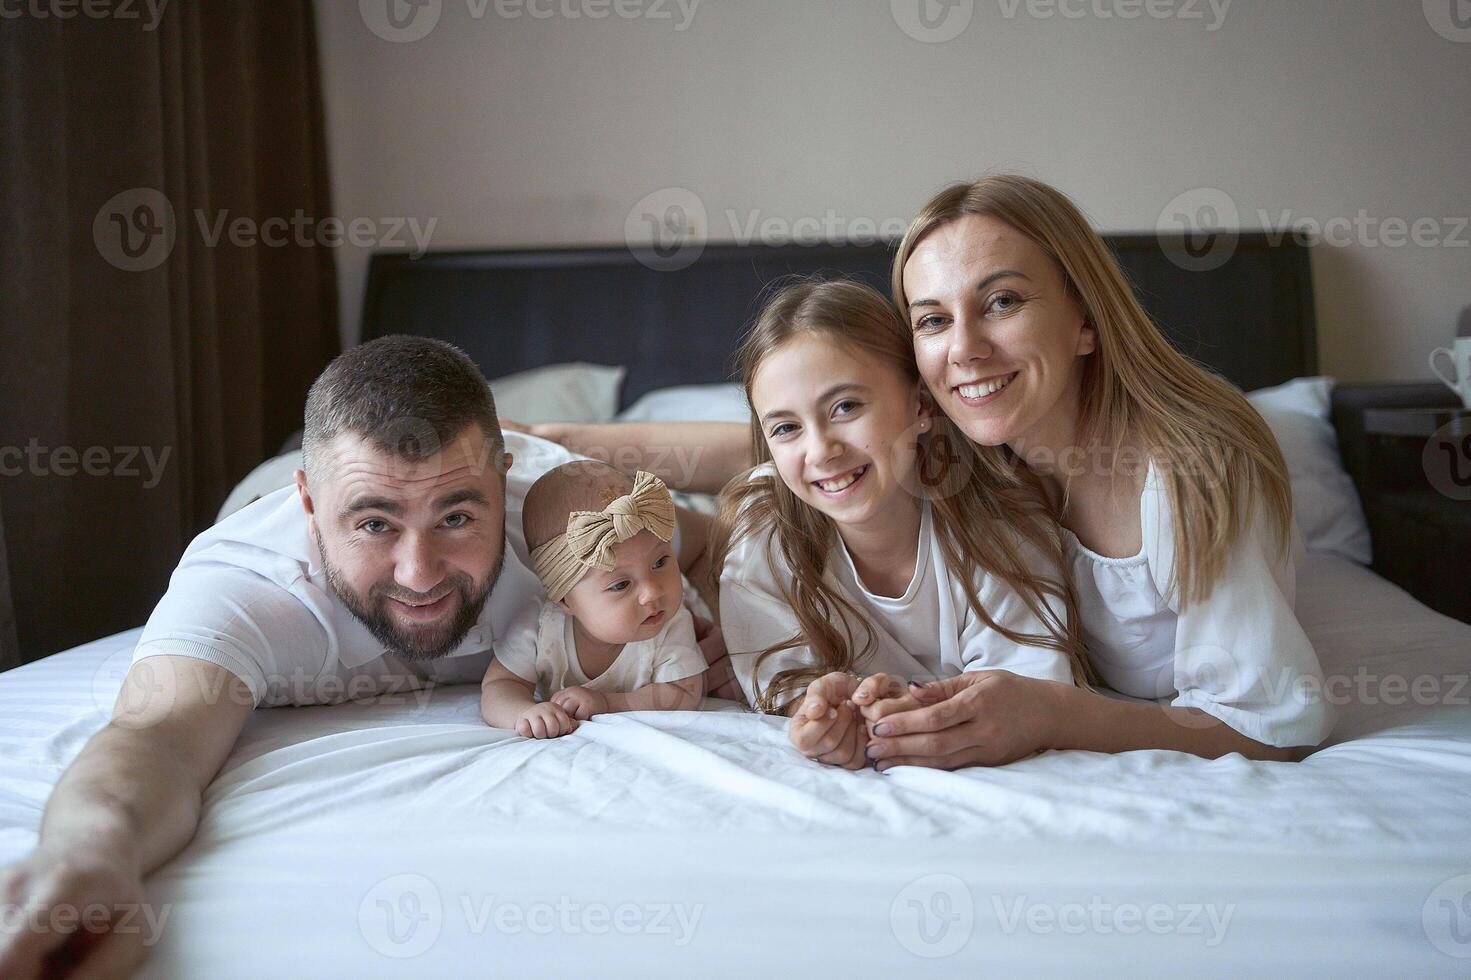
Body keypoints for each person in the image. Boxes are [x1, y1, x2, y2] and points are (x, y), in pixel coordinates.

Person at [537, 175, 1334, 769]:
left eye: (1002, 302)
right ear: (917, 377)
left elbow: (1274, 725)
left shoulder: (1187, 473)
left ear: (1085, 318)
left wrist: (1056, 715)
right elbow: (777, 456)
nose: (965, 350)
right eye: (931, 320)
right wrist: (555, 437)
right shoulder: (966, 434)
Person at [0, 336, 729, 979]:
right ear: (312, 502)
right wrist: (90, 854)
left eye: (455, 517)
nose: (419, 572)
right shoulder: (246, 581)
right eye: (374, 522)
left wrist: (727, 614)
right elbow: (154, 735)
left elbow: (708, 541)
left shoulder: (564, 520)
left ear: (501, 484)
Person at [712, 279, 1088, 769]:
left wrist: (914, 705)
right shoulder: (765, 532)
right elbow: (783, 689)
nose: (821, 450)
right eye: (786, 428)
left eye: (846, 407)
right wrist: (825, 716)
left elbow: (1027, 690)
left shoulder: (997, 522)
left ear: (921, 405)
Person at [481, 464, 705, 738]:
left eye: (660, 562)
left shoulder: (667, 620)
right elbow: (500, 684)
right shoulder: (541, 625)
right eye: (621, 585)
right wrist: (523, 712)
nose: (652, 593)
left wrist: (610, 704)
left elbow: (685, 692)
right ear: (565, 600)